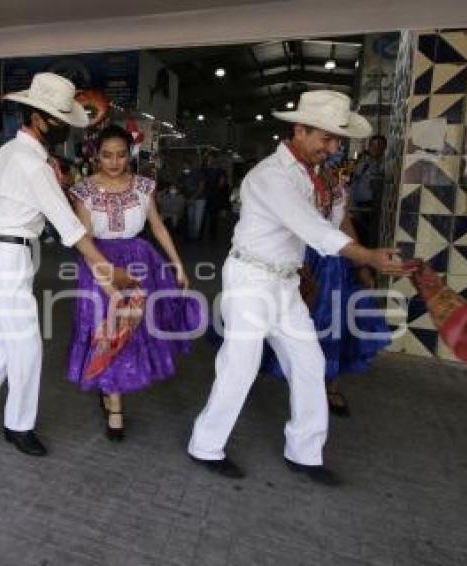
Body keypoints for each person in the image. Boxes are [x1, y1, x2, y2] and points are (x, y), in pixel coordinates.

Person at [187, 90, 413, 486]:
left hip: (287, 283)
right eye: (324, 138)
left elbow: (334, 220)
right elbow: (313, 230)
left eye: (337, 140)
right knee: (239, 366)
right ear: (299, 130)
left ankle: (305, 453)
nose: (332, 147)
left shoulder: (322, 177)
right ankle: (205, 445)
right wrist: (368, 257)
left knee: (310, 363)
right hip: (250, 280)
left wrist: (363, 251)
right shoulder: (271, 176)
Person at [0, 73, 136, 457]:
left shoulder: (10, 153)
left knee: (2, 342)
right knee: (27, 346)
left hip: (4, 251)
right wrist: (108, 270)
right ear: (37, 119)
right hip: (10, 256)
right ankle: (19, 426)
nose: (64, 130)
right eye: (59, 122)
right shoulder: (33, 165)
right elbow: (69, 228)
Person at [67, 124, 199, 440]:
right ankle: (114, 405)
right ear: (96, 155)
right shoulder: (84, 190)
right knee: (108, 329)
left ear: (130, 155)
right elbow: (83, 240)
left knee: (132, 331)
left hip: (140, 263)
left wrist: (177, 264)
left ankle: (111, 388)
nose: (114, 162)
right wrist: (110, 282)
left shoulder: (143, 186)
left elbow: (158, 227)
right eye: (107, 155)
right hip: (99, 262)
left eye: (121, 155)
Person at [258, 156, 391, 416]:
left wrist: (362, 264)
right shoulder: (292, 180)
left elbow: (344, 222)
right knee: (277, 320)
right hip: (301, 258)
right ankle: (256, 368)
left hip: (336, 263)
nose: (329, 153)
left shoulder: (339, 183)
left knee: (335, 324)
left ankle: (329, 386)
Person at [349, 135, 387, 247]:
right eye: (373, 145)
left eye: (379, 146)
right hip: (357, 208)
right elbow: (354, 183)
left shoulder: (383, 166)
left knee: (367, 239)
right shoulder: (363, 164)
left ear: (384, 148)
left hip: (371, 209)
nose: (375, 148)